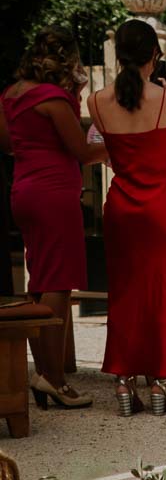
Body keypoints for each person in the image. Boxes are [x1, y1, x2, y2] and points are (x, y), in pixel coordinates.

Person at [87, 19, 166, 416]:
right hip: (164, 209)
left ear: (119, 56)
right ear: (154, 55)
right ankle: (161, 381)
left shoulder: (96, 101)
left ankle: (123, 381)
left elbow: (103, 147)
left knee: (125, 296)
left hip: (122, 209)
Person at [0, 26, 107, 409]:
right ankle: (55, 379)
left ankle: (43, 373)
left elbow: (8, 143)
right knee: (59, 283)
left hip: (23, 192)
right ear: (67, 59)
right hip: (53, 194)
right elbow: (81, 151)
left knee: (39, 280)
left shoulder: (11, 95)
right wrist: (113, 147)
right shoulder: (53, 99)